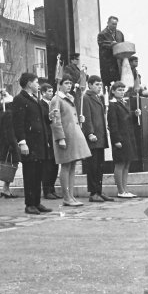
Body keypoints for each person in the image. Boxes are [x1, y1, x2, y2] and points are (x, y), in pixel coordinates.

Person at [12, 73, 53, 215]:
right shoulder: (19, 99)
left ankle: (37, 202)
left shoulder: (36, 99)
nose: (38, 85)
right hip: (29, 143)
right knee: (30, 174)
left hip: (39, 143)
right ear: (29, 84)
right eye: (36, 82)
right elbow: (18, 123)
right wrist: (22, 142)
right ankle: (29, 204)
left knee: (38, 174)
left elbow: (40, 121)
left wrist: (50, 117)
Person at [50, 74, 91, 206]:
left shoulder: (69, 99)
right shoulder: (56, 99)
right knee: (66, 166)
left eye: (70, 83)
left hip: (72, 136)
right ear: (60, 85)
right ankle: (66, 197)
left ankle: (71, 196)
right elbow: (55, 121)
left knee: (72, 166)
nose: (69, 85)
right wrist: (60, 138)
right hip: (65, 137)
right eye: (66, 83)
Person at [82, 75, 114, 202]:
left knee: (100, 166)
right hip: (93, 137)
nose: (99, 87)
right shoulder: (86, 97)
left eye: (100, 85)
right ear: (89, 85)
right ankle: (93, 192)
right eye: (96, 85)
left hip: (100, 136)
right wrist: (90, 132)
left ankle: (99, 191)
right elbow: (87, 116)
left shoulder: (98, 97)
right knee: (93, 166)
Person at [107, 81, 140, 198]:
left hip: (128, 137)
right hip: (120, 137)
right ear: (113, 91)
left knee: (127, 163)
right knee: (120, 163)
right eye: (119, 90)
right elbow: (113, 124)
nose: (121, 92)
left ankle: (125, 189)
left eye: (123, 90)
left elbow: (126, 117)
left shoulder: (123, 103)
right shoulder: (112, 105)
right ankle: (120, 190)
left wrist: (134, 114)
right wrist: (116, 140)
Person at [39, 83, 62, 200]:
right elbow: (42, 119)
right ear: (43, 93)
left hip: (54, 135)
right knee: (47, 165)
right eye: (48, 91)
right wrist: (49, 116)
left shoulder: (53, 103)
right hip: (47, 136)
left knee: (54, 164)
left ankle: (52, 188)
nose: (51, 93)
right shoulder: (40, 104)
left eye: (52, 91)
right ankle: (47, 189)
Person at [0, 91, 20, 199]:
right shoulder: (9, 113)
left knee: (8, 164)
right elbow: (9, 130)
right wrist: (12, 143)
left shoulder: (0, 112)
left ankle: (6, 188)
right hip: (9, 142)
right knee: (12, 164)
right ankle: (6, 188)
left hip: (1, 141)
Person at [97, 16, 124, 87]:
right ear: (108, 23)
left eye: (116, 24)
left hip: (118, 62)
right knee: (107, 84)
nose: (114, 26)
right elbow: (101, 45)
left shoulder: (120, 33)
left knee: (118, 82)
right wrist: (111, 45)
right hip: (107, 62)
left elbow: (122, 45)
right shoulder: (102, 34)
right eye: (112, 24)